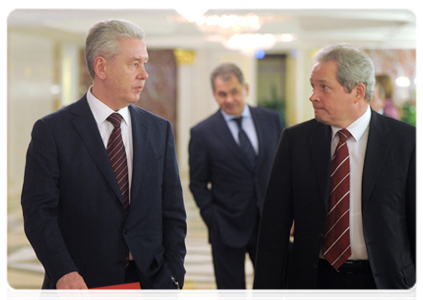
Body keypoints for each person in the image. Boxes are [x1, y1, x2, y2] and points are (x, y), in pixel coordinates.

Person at [21, 19, 187, 300]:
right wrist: (63, 272)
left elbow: (172, 211)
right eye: (134, 63)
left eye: (144, 63)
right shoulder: (52, 131)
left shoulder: (159, 130)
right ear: (101, 67)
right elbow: (38, 213)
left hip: (150, 285)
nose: (145, 74)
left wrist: (174, 275)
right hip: (79, 288)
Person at [253, 43, 419, 300]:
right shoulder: (295, 141)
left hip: (383, 285)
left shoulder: (407, 142)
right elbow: (273, 231)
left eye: (324, 87)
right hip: (315, 283)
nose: (313, 96)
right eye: (313, 86)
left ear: (357, 91)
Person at [189, 63, 283, 300]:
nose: (229, 99)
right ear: (215, 94)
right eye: (222, 94)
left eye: (234, 91)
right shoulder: (202, 132)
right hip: (226, 227)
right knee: (231, 294)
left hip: (268, 224)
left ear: (246, 88)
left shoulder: (271, 120)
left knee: (271, 289)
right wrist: (213, 220)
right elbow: (197, 183)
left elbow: (282, 170)